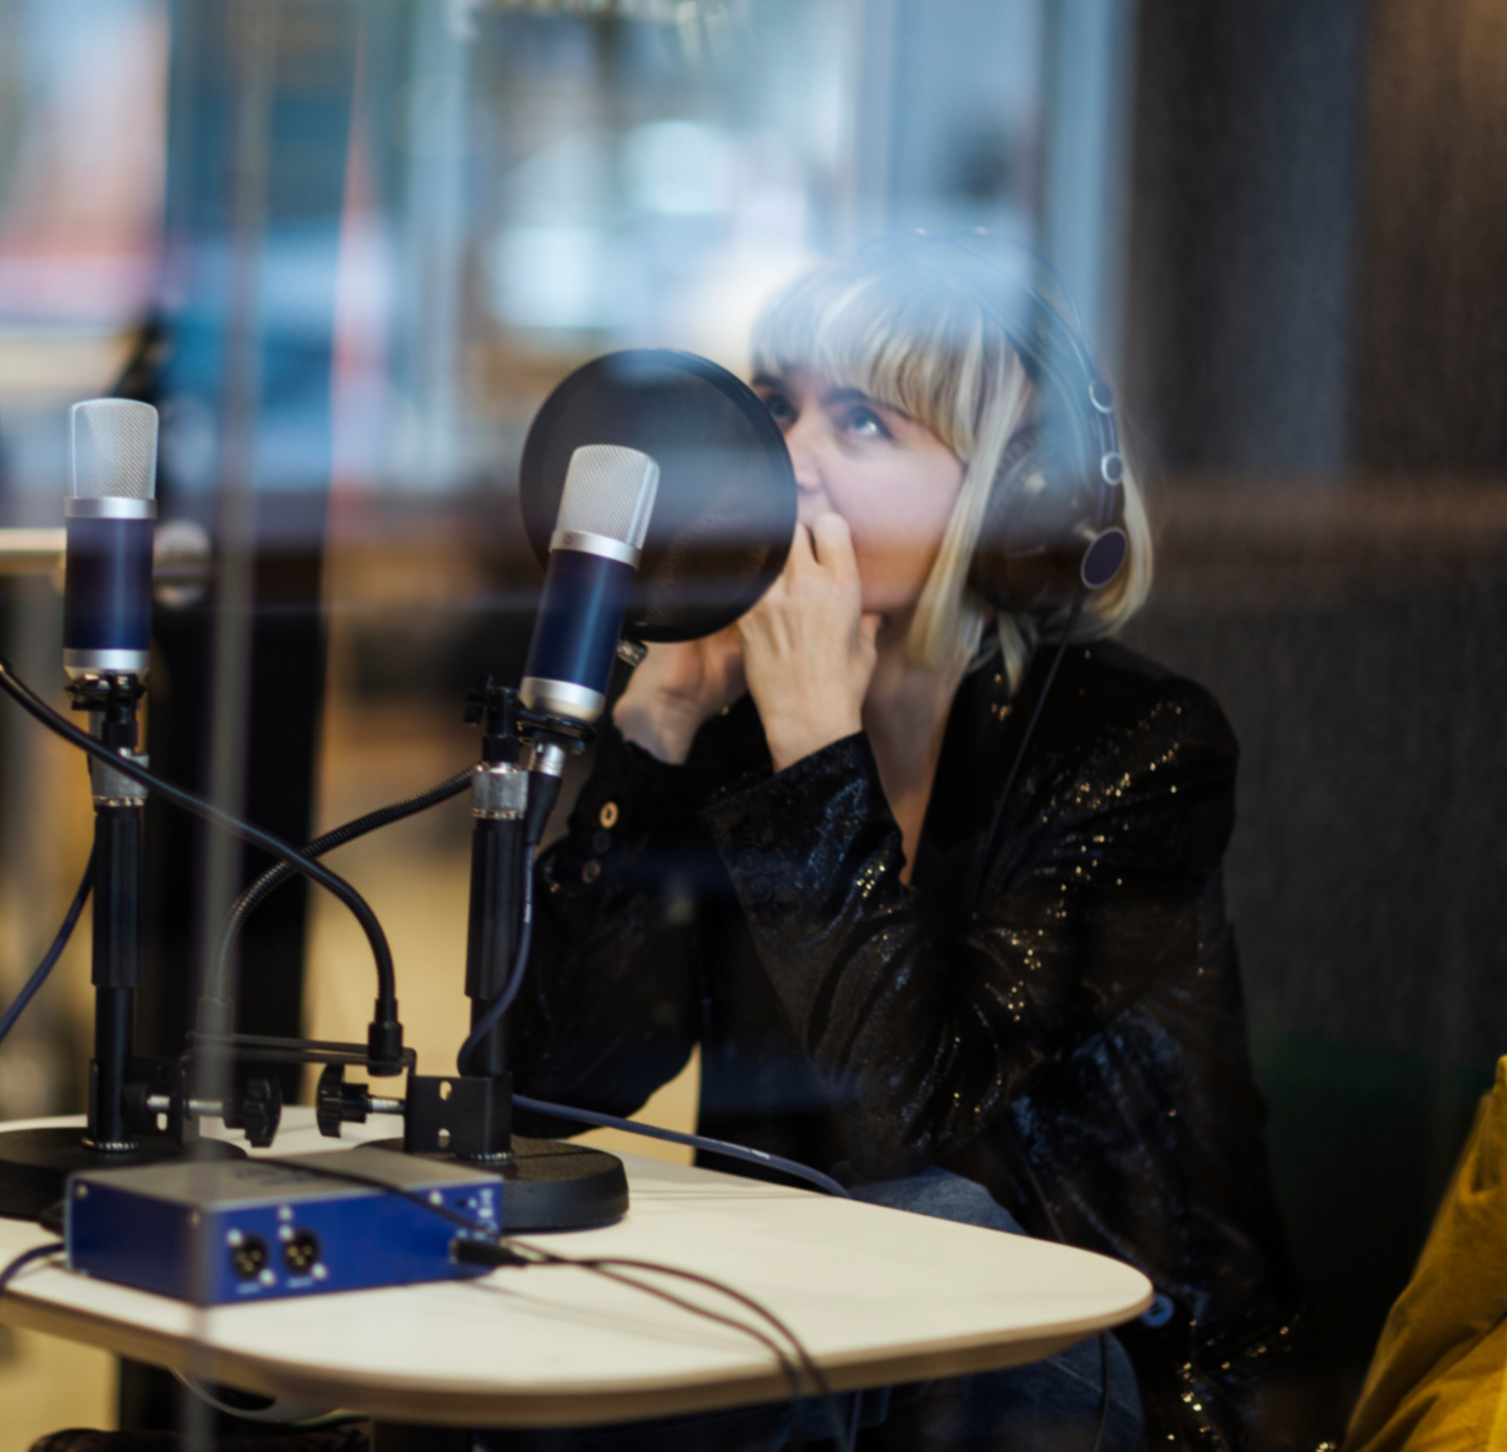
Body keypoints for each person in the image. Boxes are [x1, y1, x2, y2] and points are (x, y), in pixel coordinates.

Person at [507, 244, 1309, 1451]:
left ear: (1006, 495)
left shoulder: (1133, 745)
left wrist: (814, 754)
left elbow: (906, 1128)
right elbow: (556, 1084)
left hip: (1092, 1359)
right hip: (812, 1337)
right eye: (777, 405)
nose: (786, 458)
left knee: (932, 1215)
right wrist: (655, 731)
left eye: (860, 425)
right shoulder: (734, 731)